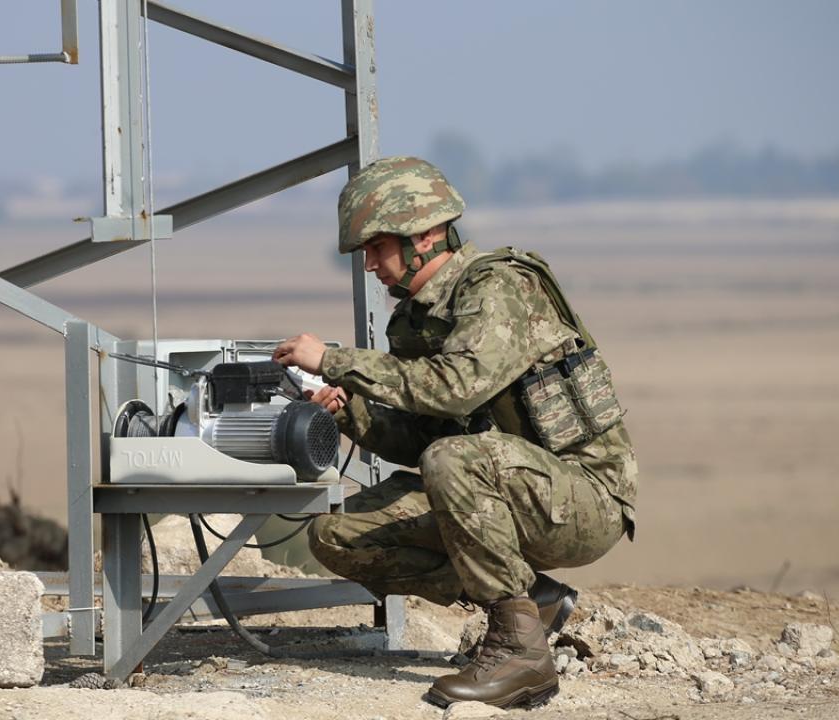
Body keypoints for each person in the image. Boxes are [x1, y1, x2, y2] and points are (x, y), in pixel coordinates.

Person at [273, 156, 638, 709]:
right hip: (495, 487)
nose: (369, 263)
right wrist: (347, 412)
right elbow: (421, 437)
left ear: (424, 234)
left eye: (376, 247)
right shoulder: (415, 321)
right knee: (336, 536)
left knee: (452, 460)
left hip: (582, 498)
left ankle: (522, 656)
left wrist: (334, 360)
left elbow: (457, 388)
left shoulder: (498, 288)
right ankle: (531, 601)